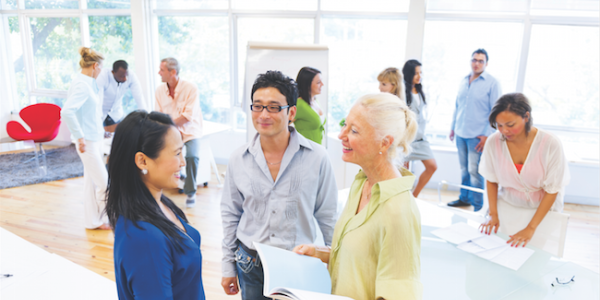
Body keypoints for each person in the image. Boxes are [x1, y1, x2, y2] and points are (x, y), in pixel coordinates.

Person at [220, 70, 338, 300]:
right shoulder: (238, 158)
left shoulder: (317, 157)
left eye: (273, 107)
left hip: (297, 262)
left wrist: (336, 263)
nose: (264, 114)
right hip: (249, 263)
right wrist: (227, 267)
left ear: (291, 112)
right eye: (257, 106)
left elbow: (328, 216)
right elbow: (230, 215)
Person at [294, 93, 423, 300]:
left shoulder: (398, 212)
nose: (341, 135)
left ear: (384, 143)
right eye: (345, 124)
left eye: (353, 130)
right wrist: (319, 253)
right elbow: (363, 259)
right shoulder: (361, 184)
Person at [106, 111, 205, 300]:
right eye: (177, 154)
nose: (183, 162)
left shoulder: (158, 203)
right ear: (142, 160)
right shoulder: (144, 238)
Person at [479, 93, 570, 248]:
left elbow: (552, 190)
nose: (504, 131)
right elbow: (491, 179)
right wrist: (493, 214)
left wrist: (530, 228)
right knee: (501, 250)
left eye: (510, 125)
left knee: (534, 253)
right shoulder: (494, 142)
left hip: (543, 211)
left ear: (526, 117)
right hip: (508, 205)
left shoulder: (550, 144)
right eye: (499, 125)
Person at [61, 47, 109, 230]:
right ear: (95, 66)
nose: (101, 72)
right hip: (87, 142)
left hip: (94, 139)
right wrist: (80, 137)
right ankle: (105, 219)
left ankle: (93, 222)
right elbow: (66, 111)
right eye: (101, 69)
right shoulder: (82, 85)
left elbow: (88, 112)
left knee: (91, 182)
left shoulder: (86, 82)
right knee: (105, 183)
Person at [448, 49, 501, 211]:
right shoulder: (464, 80)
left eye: (480, 61)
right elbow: (458, 106)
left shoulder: (492, 83)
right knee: (464, 169)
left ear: (486, 64)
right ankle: (464, 198)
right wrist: (452, 128)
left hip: (477, 136)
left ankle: (478, 206)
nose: (476, 63)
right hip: (460, 133)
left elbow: (496, 111)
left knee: (474, 171)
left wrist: (487, 134)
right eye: (474, 60)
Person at [155, 57, 203, 208]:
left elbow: (188, 117)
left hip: (190, 131)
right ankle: (160, 189)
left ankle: (190, 191)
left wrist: (169, 122)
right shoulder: (159, 91)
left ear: (173, 72)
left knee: (192, 156)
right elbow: (158, 115)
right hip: (170, 132)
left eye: (162, 70)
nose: (159, 73)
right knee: (158, 154)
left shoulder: (191, 88)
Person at [401, 60, 437, 198]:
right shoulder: (403, 92)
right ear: (409, 74)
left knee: (432, 166)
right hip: (407, 138)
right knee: (404, 171)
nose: (419, 76)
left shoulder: (420, 91)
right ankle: (403, 197)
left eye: (420, 73)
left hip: (420, 138)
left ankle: (413, 196)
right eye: (416, 73)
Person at [96, 60, 147, 133]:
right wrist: (98, 125)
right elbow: (98, 101)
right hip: (101, 113)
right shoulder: (103, 76)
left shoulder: (131, 76)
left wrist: (145, 119)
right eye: (122, 76)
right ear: (113, 72)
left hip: (116, 114)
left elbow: (139, 97)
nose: (125, 79)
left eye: (126, 75)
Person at [293, 67, 326, 144]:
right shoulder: (299, 104)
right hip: (305, 152)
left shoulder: (315, 100)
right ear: (307, 84)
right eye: (318, 82)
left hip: (318, 150)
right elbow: (281, 127)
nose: (322, 84)